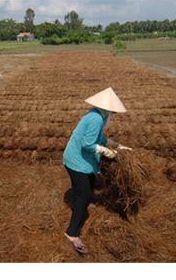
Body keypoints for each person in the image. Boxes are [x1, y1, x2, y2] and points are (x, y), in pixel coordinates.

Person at [62, 87, 132, 254]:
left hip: (80, 158)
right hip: (75, 160)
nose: (113, 114)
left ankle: (84, 199)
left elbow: (98, 138)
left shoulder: (96, 113)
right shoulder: (96, 119)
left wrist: (116, 145)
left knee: (92, 181)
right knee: (83, 195)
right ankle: (71, 233)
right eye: (113, 111)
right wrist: (105, 151)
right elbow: (88, 144)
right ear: (108, 108)